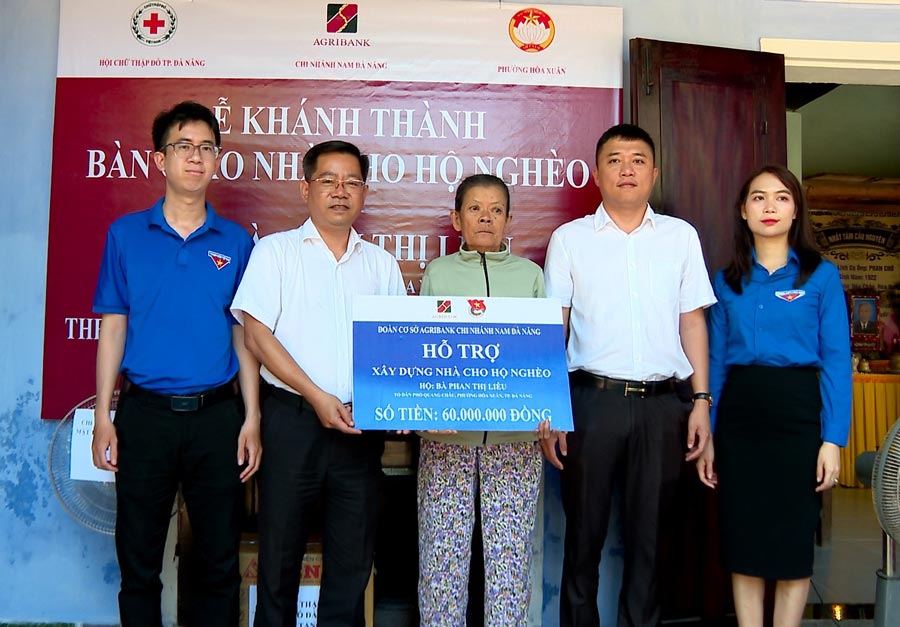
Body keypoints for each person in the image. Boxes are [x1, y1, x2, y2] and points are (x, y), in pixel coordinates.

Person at [91, 101, 261, 627]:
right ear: (160, 159)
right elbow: (113, 326)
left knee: (219, 562)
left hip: (217, 419)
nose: (195, 157)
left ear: (217, 162)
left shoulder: (236, 242)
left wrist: (251, 417)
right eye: (183, 146)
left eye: (206, 148)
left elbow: (244, 336)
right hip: (145, 417)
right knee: (139, 562)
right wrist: (104, 416)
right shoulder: (125, 235)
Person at [542, 123, 716, 627]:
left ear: (654, 173)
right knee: (584, 538)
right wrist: (552, 410)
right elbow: (558, 325)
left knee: (651, 541)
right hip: (592, 404)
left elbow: (692, 321)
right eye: (615, 160)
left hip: (665, 406)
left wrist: (701, 400)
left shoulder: (680, 237)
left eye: (638, 159)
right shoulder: (570, 239)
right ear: (596, 174)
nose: (627, 169)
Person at [230, 140, 405, 626]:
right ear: (305, 188)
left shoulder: (381, 265)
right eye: (328, 180)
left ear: (365, 193)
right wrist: (316, 396)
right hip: (292, 423)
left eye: (352, 182)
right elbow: (256, 334)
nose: (340, 191)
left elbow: (397, 352)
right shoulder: (276, 252)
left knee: (351, 569)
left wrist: (422, 408)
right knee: (279, 562)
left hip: (359, 429)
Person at [697, 164, 850, 627]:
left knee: (791, 539)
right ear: (743, 211)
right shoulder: (727, 282)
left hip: (799, 415)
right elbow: (718, 363)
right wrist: (712, 436)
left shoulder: (821, 277)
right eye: (759, 198)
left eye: (781, 197)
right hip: (741, 416)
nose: (769, 206)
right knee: (743, 536)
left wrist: (833, 440)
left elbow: (837, 361)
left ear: (795, 210)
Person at [417, 174, 546, 626]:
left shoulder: (531, 276)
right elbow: (422, 354)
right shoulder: (439, 273)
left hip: (515, 442)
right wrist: (422, 418)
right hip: (447, 440)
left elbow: (542, 358)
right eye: (474, 208)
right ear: (456, 219)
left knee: (510, 564)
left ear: (510, 219)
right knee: (442, 560)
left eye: (495, 209)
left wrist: (546, 414)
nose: (485, 217)